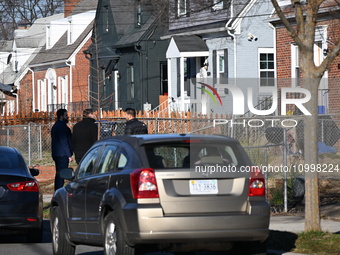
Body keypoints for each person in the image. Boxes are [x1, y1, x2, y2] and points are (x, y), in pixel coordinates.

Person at [51, 109, 73, 191]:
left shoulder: (56, 126)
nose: (67, 117)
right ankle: (59, 192)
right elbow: (64, 142)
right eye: (66, 115)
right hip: (62, 154)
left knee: (59, 174)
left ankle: (57, 190)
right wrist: (69, 155)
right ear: (61, 116)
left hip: (57, 153)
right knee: (62, 174)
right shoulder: (62, 127)